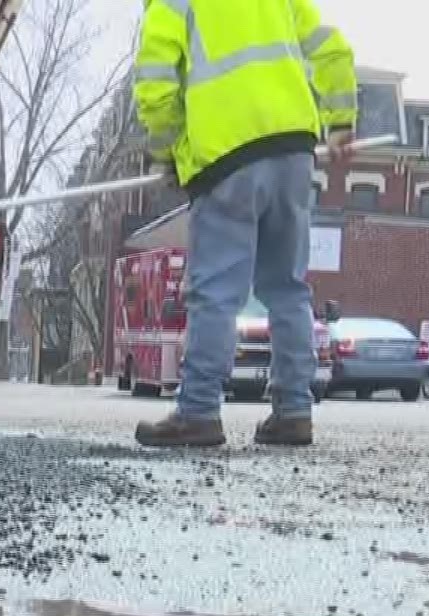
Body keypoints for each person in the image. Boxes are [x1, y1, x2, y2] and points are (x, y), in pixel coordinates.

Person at [131, 0, 357, 448]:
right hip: (293, 149)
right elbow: (331, 48)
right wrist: (341, 121)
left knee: (215, 293)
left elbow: (155, 80)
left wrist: (169, 151)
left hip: (226, 154)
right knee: (288, 288)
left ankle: (198, 412)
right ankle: (294, 411)